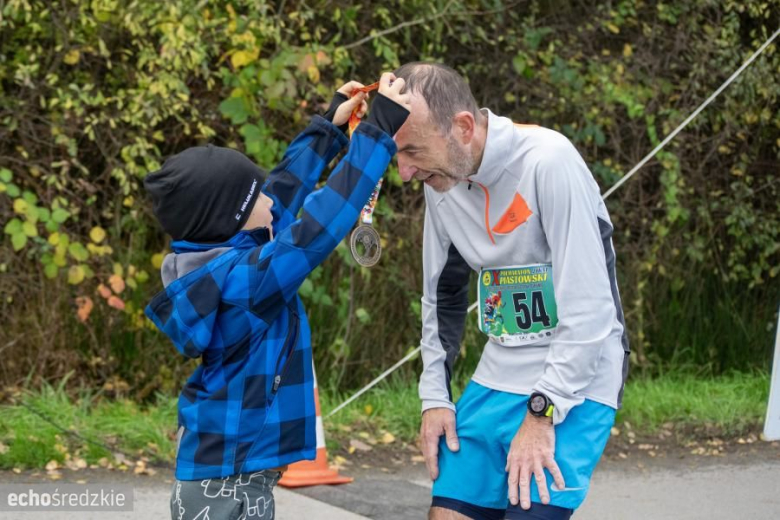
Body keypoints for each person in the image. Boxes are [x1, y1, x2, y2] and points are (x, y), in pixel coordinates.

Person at [143, 73, 411, 520]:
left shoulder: (227, 253)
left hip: (232, 476)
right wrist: (376, 132)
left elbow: (282, 189)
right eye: (257, 199)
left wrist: (328, 127)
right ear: (234, 221)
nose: (271, 199)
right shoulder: (241, 284)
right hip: (225, 489)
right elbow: (317, 228)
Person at [393, 62, 629, 520]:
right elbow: (441, 296)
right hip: (499, 372)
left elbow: (591, 307)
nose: (404, 172)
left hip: (579, 376)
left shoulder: (547, 160)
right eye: (398, 155)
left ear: (462, 127)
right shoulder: (439, 177)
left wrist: (541, 415)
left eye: (413, 151)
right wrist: (435, 398)